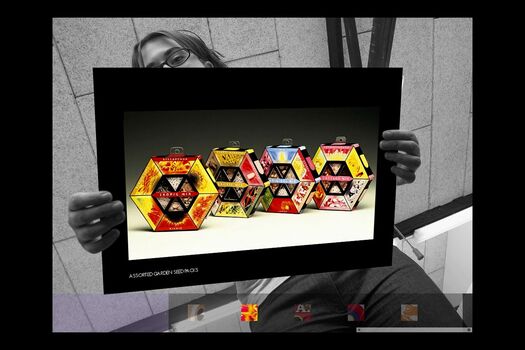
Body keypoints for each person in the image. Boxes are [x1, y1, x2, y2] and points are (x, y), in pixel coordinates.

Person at [67, 30, 463, 331]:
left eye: (175, 58)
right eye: (152, 71)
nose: (166, 71)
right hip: (274, 296)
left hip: (365, 263)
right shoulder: (148, 160)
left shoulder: (295, 106)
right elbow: (141, 232)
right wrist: (104, 232)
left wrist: (394, 167)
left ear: (205, 65)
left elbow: (347, 178)